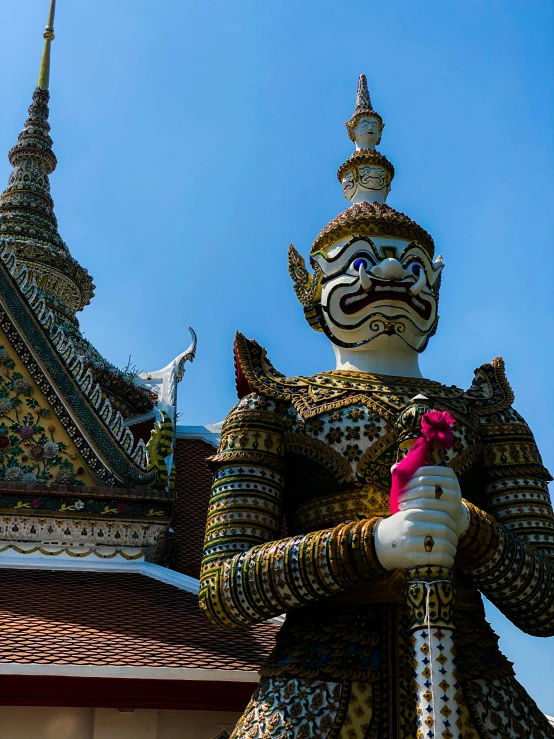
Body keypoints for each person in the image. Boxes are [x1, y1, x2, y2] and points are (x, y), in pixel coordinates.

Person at [199, 74, 554, 738]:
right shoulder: (275, 409)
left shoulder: (490, 417)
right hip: (315, 692)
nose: (391, 277)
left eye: (412, 267)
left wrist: (468, 528)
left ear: (436, 286)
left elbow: (546, 601)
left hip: (471, 684)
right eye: (361, 265)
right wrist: (372, 542)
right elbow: (225, 589)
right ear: (313, 290)